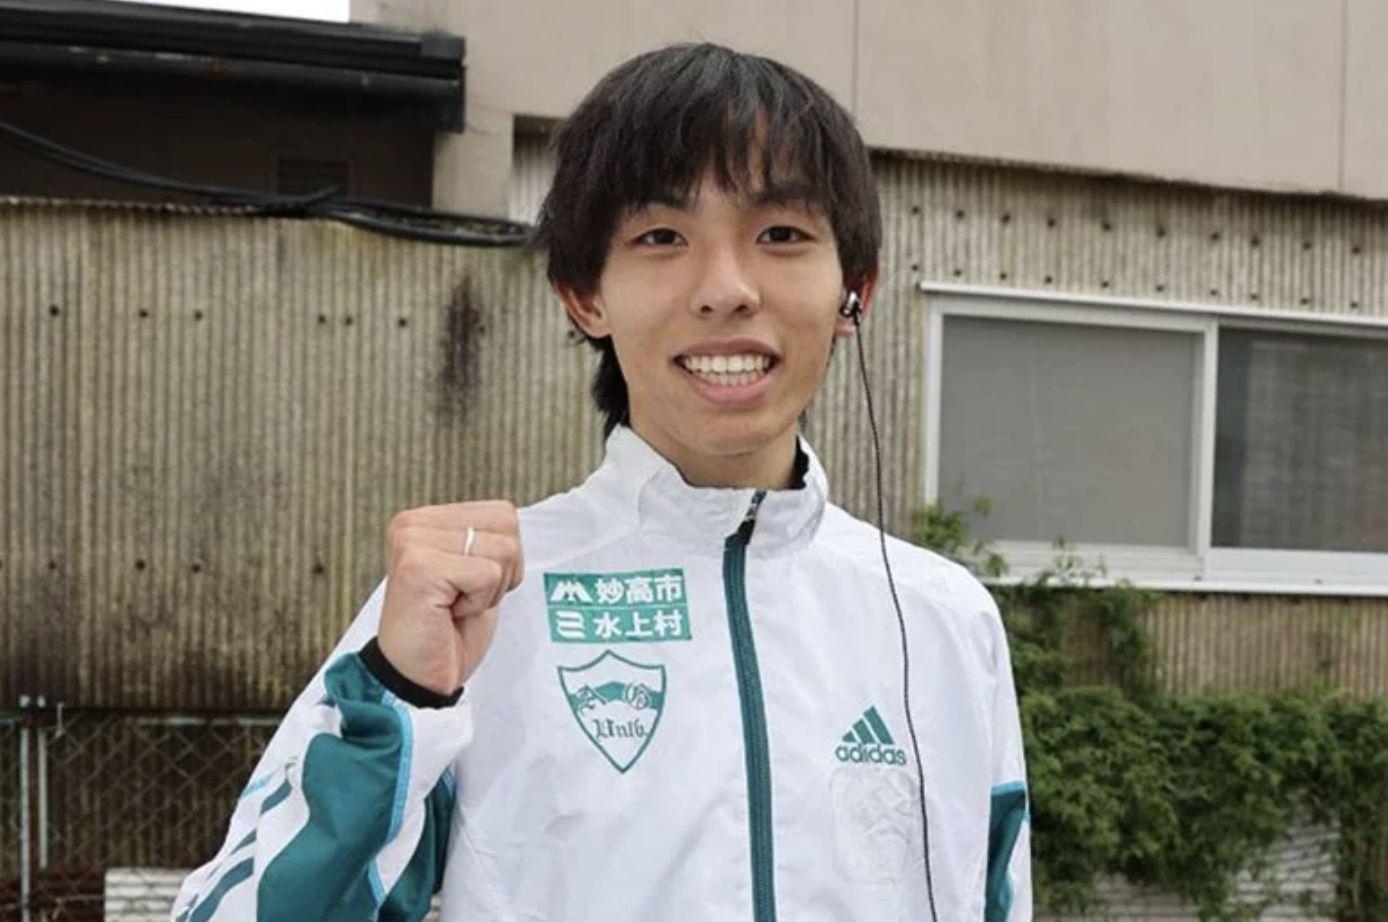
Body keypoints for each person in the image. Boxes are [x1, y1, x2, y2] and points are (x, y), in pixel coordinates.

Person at [173, 42, 1031, 922]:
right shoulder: (474, 611)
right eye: (662, 237)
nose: (726, 289)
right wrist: (401, 698)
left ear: (856, 288)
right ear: (584, 295)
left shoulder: (945, 621)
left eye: (781, 234)